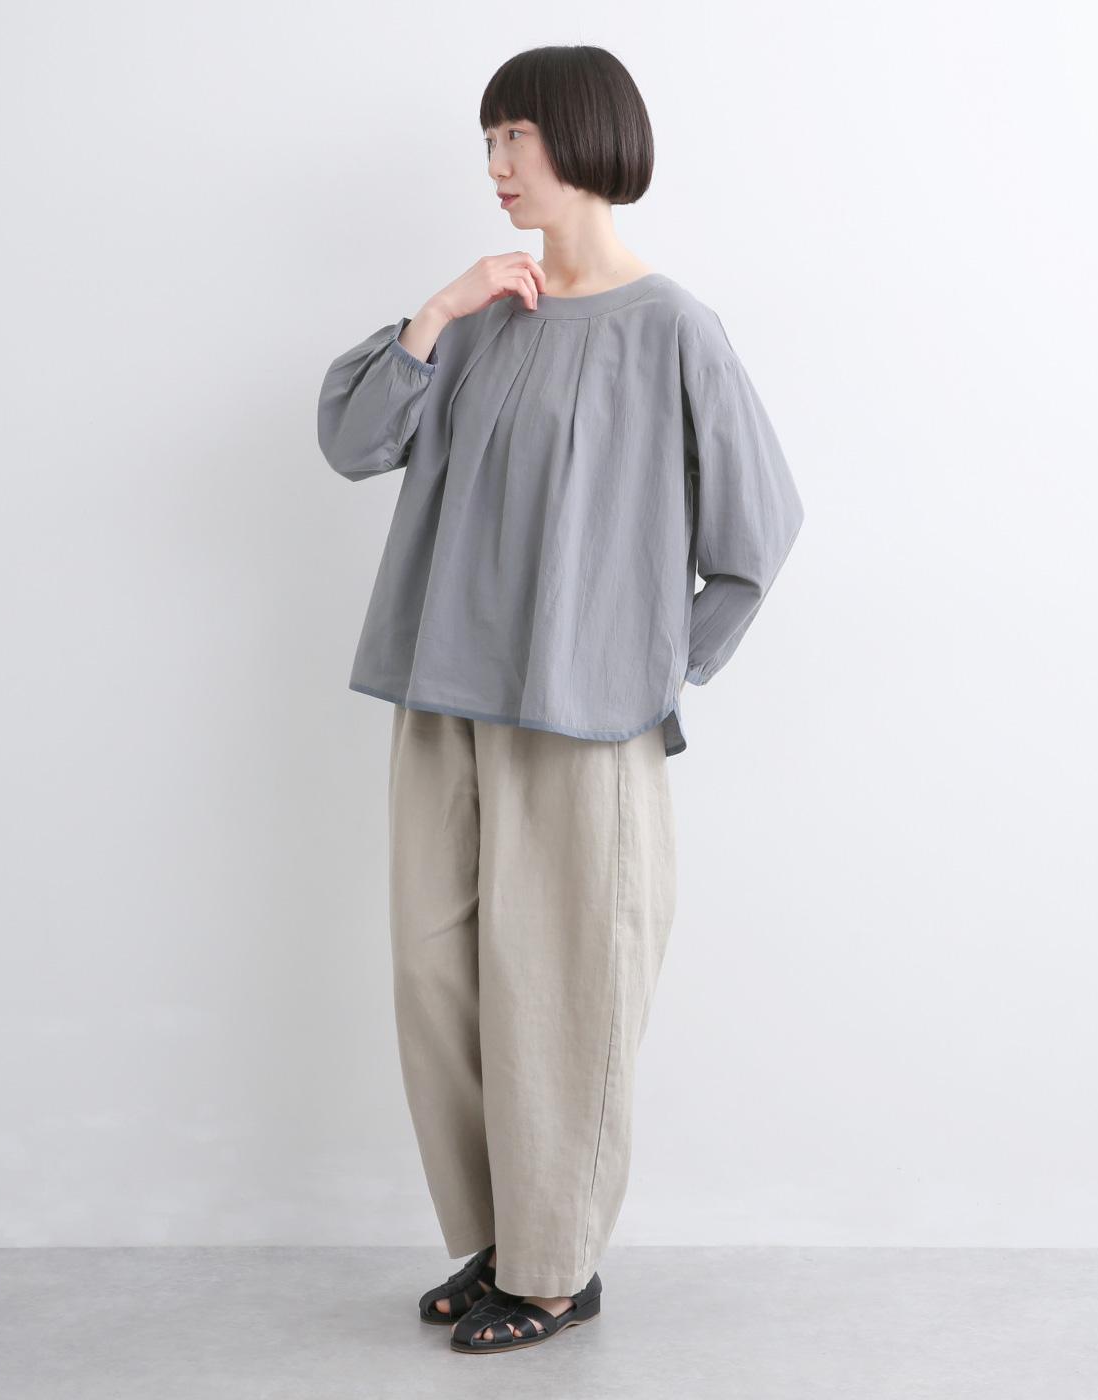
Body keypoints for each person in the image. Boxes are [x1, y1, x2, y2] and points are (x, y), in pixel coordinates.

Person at [316, 44, 804, 1356]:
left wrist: (643, 662)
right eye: (488, 140)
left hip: (582, 723)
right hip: (440, 697)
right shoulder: (485, 314)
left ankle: (554, 1270)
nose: (495, 164)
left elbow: (758, 530)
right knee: (437, 977)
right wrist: (439, 307)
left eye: (515, 136)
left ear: (584, 137)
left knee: (562, 987)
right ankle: (503, 1244)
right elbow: (353, 441)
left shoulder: (673, 327)